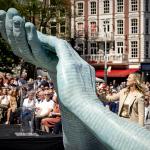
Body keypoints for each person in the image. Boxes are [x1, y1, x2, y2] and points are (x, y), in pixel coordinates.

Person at [0, 8, 150, 150]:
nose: (129, 78)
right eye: (128, 76)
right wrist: (59, 77)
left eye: (131, 77)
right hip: (118, 127)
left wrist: (82, 101)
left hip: (131, 128)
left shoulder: (140, 96)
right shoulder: (124, 92)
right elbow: (84, 146)